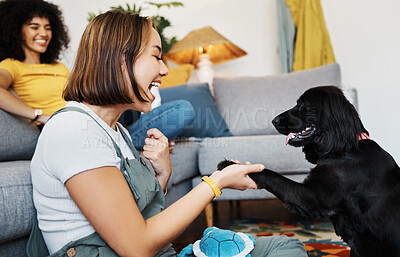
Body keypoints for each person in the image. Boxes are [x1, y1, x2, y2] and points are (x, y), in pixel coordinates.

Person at [27, 10, 307, 257]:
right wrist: (216, 183)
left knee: (286, 247)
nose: (164, 70)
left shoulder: (118, 132)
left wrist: (162, 177)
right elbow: (136, 246)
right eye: (156, 56)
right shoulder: (74, 130)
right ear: (120, 60)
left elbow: (129, 218)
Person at [0, 0, 194, 149]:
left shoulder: (58, 67)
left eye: (48, 27)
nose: (43, 33)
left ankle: (131, 142)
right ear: (17, 31)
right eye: (34, 27)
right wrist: (39, 115)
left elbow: (82, 94)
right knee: (183, 110)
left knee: (181, 108)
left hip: (106, 120)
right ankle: (130, 145)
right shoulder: (12, 66)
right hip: (74, 128)